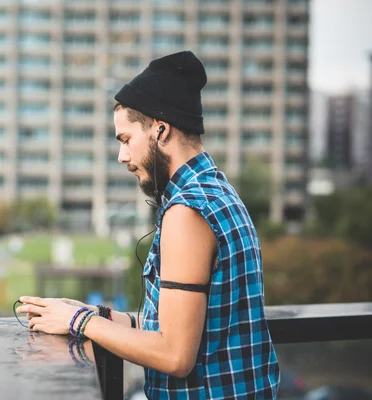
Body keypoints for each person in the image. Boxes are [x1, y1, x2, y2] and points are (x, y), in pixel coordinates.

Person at [17, 51, 280, 399]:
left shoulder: (187, 211)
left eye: (126, 140)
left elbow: (174, 355)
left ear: (160, 129)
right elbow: (184, 328)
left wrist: (78, 323)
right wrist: (95, 314)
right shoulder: (219, 191)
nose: (122, 157)